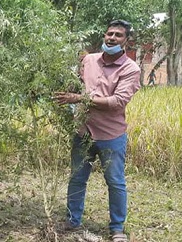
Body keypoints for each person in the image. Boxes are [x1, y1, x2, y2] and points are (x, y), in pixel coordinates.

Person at [54, 20, 141, 242]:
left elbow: (117, 102)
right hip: (83, 132)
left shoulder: (131, 69)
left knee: (115, 181)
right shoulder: (89, 60)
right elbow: (74, 85)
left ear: (126, 41)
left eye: (118, 35)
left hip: (111, 136)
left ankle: (117, 228)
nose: (112, 38)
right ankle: (73, 222)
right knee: (77, 178)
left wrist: (80, 98)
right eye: (109, 34)